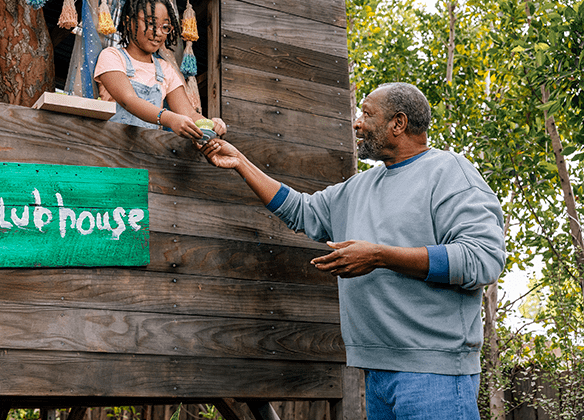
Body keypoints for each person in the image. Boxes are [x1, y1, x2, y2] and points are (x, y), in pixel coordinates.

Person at [200, 82, 505, 419]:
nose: (357, 123)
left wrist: (380, 256)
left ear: (398, 123)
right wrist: (241, 162)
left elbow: (483, 259)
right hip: (376, 372)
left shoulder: (449, 172)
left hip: (436, 375)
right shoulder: (360, 186)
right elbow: (301, 210)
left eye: (367, 114)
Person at [94, 0, 225, 139]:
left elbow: (188, 113)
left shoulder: (165, 69)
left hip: (149, 150)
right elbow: (128, 100)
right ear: (128, 22)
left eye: (165, 27)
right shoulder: (112, 56)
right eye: (151, 23)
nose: (159, 33)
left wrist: (210, 124)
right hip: (110, 149)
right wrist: (170, 119)